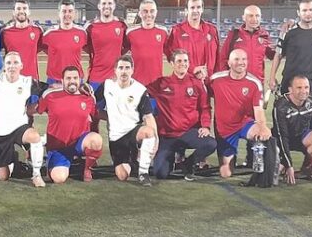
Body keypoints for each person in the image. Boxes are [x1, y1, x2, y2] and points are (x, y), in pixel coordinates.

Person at [147, 49, 216, 181]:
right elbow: (141, 91)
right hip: (167, 135)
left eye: (185, 61)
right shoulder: (161, 83)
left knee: (210, 144)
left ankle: (188, 164)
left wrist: (206, 126)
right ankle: (170, 160)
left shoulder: (196, 83)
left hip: (188, 133)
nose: (182, 64)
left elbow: (205, 107)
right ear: (172, 63)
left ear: (189, 63)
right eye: (179, 61)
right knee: (160, 173)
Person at [0, 52, 48, 187]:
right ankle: (13, 156)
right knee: (4, 176)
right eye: (8, 63)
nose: (12, 66)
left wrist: (35, 108)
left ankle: (36, 175)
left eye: (15, 63)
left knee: (35, 137)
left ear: (21, 66)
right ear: (4, 66)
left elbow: (47, 91)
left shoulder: (28, 82)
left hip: (19, 127)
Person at [209, 49, 271, 178]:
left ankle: (259, 162)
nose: (241, 62)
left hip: (244, 124)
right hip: (224, 130)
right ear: (229, 63)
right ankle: (229, 161)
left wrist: (263, 126)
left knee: (262, 133)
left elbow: (258, 111)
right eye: (236, 59)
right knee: (226, 173)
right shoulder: (215, 79)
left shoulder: (254, 83)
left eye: (244, 59)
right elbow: (202, 90)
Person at [35, 66, 104, 183]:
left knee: (96, 140)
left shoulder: (88, 97)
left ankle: (86, 168)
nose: (72, 81)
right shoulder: (50, 96)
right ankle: (58, 164)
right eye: (68, 78)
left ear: (80, 80)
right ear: (62, 81)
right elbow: (37, 109)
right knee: (59, 178)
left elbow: (95, 116)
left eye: (75, 78)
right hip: (58, 147)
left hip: (79, 143)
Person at [95, 55, 156, 186]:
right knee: (122, 175)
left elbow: (148, 117)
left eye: (127, 68)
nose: (124, 71)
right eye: (121, 68)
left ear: (132, 70)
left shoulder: (140, 90)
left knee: (148, 132)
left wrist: (155, 140)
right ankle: (135, 159)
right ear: (115, 70)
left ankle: (143, 173)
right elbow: (92, 103)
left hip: (133, 131)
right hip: (116, 138)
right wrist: (108, 116)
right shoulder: (107, 85)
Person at [268, 0, 312, 95]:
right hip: (290, 81)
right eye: (304, 10)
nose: (308, 13)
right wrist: (272, 77)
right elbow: (278, 55)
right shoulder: (288, 31)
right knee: (285, 105)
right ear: (298, 12)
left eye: (311, 10)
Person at [271, 75, 312, 184]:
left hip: (302, 138)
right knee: (273, 176)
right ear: (290, 89)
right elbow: (282, 136)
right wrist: (288, 165)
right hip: (280, 142)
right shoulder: (280, 106)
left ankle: (306, 169)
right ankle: (282, 166)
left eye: (306, 87)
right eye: (299, 87)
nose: (304, 91)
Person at [164, 0, 219, 81]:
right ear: (186, 10)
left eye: (198, 7)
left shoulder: (212, 30)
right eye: (192, 7)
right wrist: (193, 69)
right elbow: (171, 56)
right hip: (185, 81)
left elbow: (217, 57)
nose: (195, 10)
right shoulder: (177, 31)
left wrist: (215, 77)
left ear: (202, 9)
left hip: (209, 81)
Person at [219, 5, 275, 84]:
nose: (254, 19)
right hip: (237, 83)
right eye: (250, 16)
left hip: (257, 83)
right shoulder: (234, 35)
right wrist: (225, 79)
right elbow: (223, 58)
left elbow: (273, 56)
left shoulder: (264, 35)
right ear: (244, 18)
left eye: (257, 16)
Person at [84, 0, 127, 89]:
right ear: (99, 6)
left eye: (110, 3)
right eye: (103, 3)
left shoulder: (122, 25)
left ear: (114, 6)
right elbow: (85, 46)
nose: (106, 6)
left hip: (116, 79)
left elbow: (127, 45)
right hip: (96, 78)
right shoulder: (90, 26)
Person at [124, 0, 169, 87]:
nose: (149, 14)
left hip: (156, 85)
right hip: (135, 84)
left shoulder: (163, 32)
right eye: (145, 11)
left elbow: (169, 52)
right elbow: (122, 50)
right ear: (140, 13)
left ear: (156, 12)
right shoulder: (130, 32)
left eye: (152, 11)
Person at [40, 0, 87, 83]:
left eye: (70, 11)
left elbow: (88, 48)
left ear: (74, 13)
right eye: (64, 11)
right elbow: (42, 47)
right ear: (59, 13)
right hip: (54, 80)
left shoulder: (82, 33)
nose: (67, 14)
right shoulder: (49, 34)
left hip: (76, 79)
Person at [0, 0, 43, 81]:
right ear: (14, 12)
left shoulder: (37, 30)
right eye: (18, 9)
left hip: (32, 79)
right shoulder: (5, 32)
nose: (21, 11)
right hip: (12, 79)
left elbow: (40, 47)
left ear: (29, 12)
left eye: (24, 8)